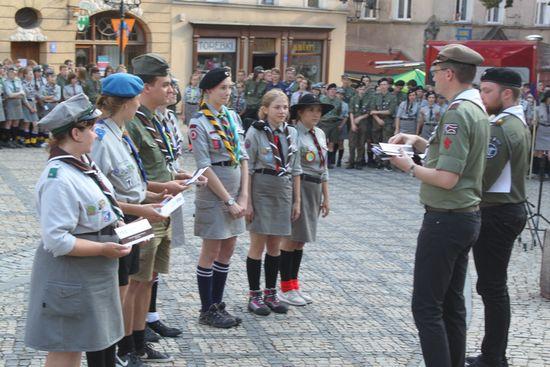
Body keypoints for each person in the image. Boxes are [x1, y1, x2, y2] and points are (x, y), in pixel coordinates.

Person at [389, 44, 489, 367]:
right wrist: (417, 141)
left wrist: (408, 167)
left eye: (434, 73)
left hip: (445, 220)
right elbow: (450, 154)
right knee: (451, 305)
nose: (432, 79)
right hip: (464, 217)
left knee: (427, 308)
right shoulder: (475, 107)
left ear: (448, 73)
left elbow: (447, 177)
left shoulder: (457, 113)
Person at [25, 93, 131, 367]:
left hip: (90, 273)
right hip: (70, 276)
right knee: (65, 348)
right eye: (92, 129)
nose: (96, 135)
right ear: (76, 132)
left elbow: (103, 205)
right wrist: (104, 248)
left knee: (78, 344)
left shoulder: (84, 165)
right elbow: (56, 240)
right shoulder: (59, 178)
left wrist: (119, 226)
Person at [124, 53, 198, 363]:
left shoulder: (153, 120)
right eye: (165, 84)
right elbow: (130, 178)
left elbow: (156, 166)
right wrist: (163, 186)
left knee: (148, 280)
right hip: (142, 211)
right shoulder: (133, 124)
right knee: (133, 284)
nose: (170, 90)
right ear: (145, 87)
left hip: (163, 209)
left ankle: (140, 341)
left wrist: (173, 179)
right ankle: (126, 346)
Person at [464, 68, 530, 367]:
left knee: (492, 288)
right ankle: (493, 355)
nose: (482, 96)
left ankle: (493, 358)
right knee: (493, 287)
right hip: (507, 210)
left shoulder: (503, 127)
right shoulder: (514, 122)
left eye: (487, 90)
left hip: (497, 213)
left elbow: (483, 177)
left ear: (507, 94)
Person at [187, 68, 249, 328]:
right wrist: (228, 201)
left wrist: (244, 195)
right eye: (223, 87)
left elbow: (243, 156)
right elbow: (204, 166)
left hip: (235, 188)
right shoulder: (198, 123)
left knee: (229, 249)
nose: (228, 92)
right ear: (208, 90)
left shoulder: (233, 117)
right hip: (214, 194)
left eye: (230, 87)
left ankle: (218, 303)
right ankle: (206, 309)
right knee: (211, 250)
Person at [244, 89, 302, 316]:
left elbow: (296, 168)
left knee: (275, 246)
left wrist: (297, 201)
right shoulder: (256, 133)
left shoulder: (292, 133)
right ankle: (254, 295)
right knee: (258, 244)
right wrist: (247, 201)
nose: (282, 111)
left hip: (283, 191)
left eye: (285, 107)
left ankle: (270, 292)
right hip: (262, 189)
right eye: (277, 107)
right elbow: (248, 168)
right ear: (266, 109)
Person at [279, 94, 331, 306]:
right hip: (299, 187)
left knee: (301, 240)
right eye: (311, 110)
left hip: (315, 188)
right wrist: (296, 199)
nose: (316, 115)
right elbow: (293, 167)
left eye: (318, 111)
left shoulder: (319, 134)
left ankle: (294, 284)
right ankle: (284, 287)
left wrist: (326, 197)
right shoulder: (293, 134)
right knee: (291, 238)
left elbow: (324, 168)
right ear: (300, 112)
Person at [370, 78, 397, 170]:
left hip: (388, 123)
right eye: (381, 84)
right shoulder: (375, 96)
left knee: (386, 143)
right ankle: (378, 161)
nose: (383, 86)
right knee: (376, 142)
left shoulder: (392, 97)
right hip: (376, 122)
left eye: (385, 84)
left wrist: (376, 112)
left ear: (388, 86)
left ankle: (386, 162)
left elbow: (390, 111)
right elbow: (371, 110)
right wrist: (377, 119)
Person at [318, 83, 342, 168]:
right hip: (324, 123)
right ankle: (322, 160)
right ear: (327, 91)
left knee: (332, 144)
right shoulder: (323, 100)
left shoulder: (338, 101)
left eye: (334, 90)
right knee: (322, 143)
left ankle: (329, 162)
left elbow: (339, 112)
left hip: (334, 124)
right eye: (331, 90)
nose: (333, 91)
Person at [347, 82, 370, 169]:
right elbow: (351, 112)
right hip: (354, 122)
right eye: (360, 89)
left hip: (363, 122)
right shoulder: (353, 99)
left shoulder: (368, 99)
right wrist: (353, 123)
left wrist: (360, 118)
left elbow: (369, 112)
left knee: (361, 143)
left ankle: (359, 162)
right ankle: (351, 162)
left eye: (363, 89)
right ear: (357, 90)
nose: (362, 91)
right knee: (352, 143)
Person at [2, 66, 25, 147]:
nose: (12, 74)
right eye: (11, 72)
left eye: (14, 72)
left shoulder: (18, 81)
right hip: (10, 104)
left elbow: (23, 93)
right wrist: (18, 94)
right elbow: (9, 94)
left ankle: (14, 140)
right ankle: (8, 140)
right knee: (9, 122)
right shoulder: (5, 82)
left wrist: (15, 95)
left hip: (17, 104)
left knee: (16, 122)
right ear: (8, 73)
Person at [532, 90, 550, 176]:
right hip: (542, 129)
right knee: (539, 151)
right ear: (546, 98)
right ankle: (539, 172)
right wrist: (534, 121)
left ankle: (548, 171)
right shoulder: (538, 108)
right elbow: (533, 120)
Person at [21, 68, 40, 147]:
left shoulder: (32, 84)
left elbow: (35, 95)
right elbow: (24, 98)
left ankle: (33, 141)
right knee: (27, 124)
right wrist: (30, 108)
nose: (32, 76)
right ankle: (27, 141)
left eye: (32, 74)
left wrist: (34, 105)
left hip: (33, 104)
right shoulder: (22, 84)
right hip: (26, 105)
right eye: (30, 74)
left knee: (35, 124)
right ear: (25, 75)